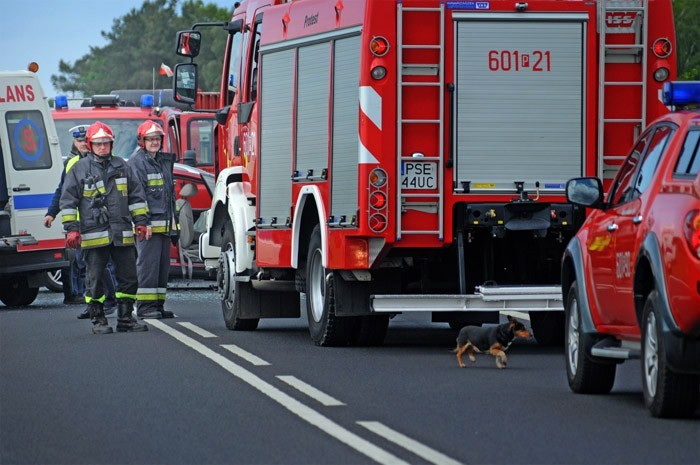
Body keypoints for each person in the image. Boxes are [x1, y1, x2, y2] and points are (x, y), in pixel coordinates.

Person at [59, 121, 149, 334]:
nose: (102, 148)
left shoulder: (122, 166)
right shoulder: (79, 169)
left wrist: (142, 222)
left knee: (129, 278)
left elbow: (137, 196)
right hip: (93, 234)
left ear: (111, 144)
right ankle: (98, 320)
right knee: (95, 279)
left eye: (106, 144)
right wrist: (72, 228)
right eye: (98, 144)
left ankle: (126, 319)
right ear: (90, 145)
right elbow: (68, 201)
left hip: (122, 233)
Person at [43, 125, 118, 317]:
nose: (84, 144)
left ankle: (108, 299)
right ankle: (95, 303)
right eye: (80, 141)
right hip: (79, 224)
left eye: (86, 140)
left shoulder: (104, 163)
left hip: (100, 222)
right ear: (74, 143)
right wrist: (52, 213)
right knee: (87, 265)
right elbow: (63, 191)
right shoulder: (73, 164)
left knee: (100, 264)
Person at [128, 121, 177, 319]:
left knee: (162, 268)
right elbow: (137, 196)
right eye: (150, 139)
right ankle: (145, 307)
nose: (154, 142)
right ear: (142, 141)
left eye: (157, 139)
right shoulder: (137, 163)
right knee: (147, 267)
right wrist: (143, 222)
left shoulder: (161, 161)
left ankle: (157, 305)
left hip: (163, 225)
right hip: (148, 226)